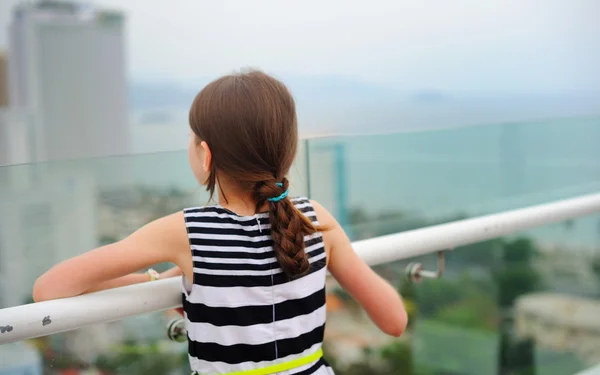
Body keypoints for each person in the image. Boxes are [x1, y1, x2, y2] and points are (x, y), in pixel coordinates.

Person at [33, 70, 407, 375]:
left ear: (206, 155)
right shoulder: (314, 219)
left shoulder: (186, 232)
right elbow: (394, 320)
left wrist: (154, 281)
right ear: (287, 151)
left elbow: (50, 288)